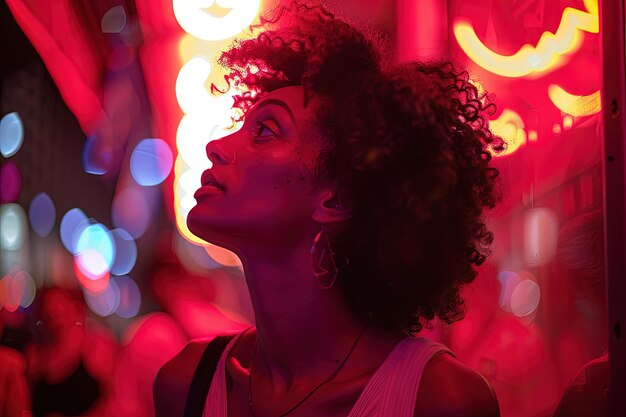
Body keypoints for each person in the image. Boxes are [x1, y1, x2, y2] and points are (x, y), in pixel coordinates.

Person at [154, 2, 504, 416]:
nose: (216, 146)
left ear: (335, 199)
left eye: (264, 131)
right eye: (240, 126)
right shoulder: (185, 383)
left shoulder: (440, 400)